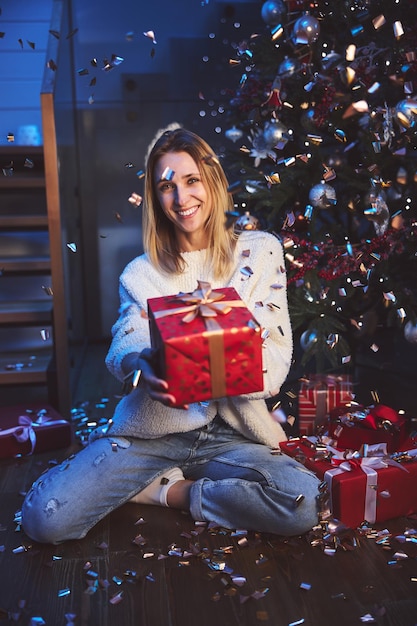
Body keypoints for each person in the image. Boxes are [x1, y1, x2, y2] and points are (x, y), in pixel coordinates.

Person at [22, 128, 320, 544]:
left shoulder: (261, 251)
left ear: (212, 181)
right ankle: (154, 478)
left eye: (191, 180)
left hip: (237, 438)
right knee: (43, 520)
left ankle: (169, 491)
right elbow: (127, 339)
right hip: (155, 436)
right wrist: (142, 363)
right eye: (167, 186)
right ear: (156, 197)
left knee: (301, 502)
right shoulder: (140, 273)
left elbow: (275, 355)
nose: (181, 199)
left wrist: (222, 367)